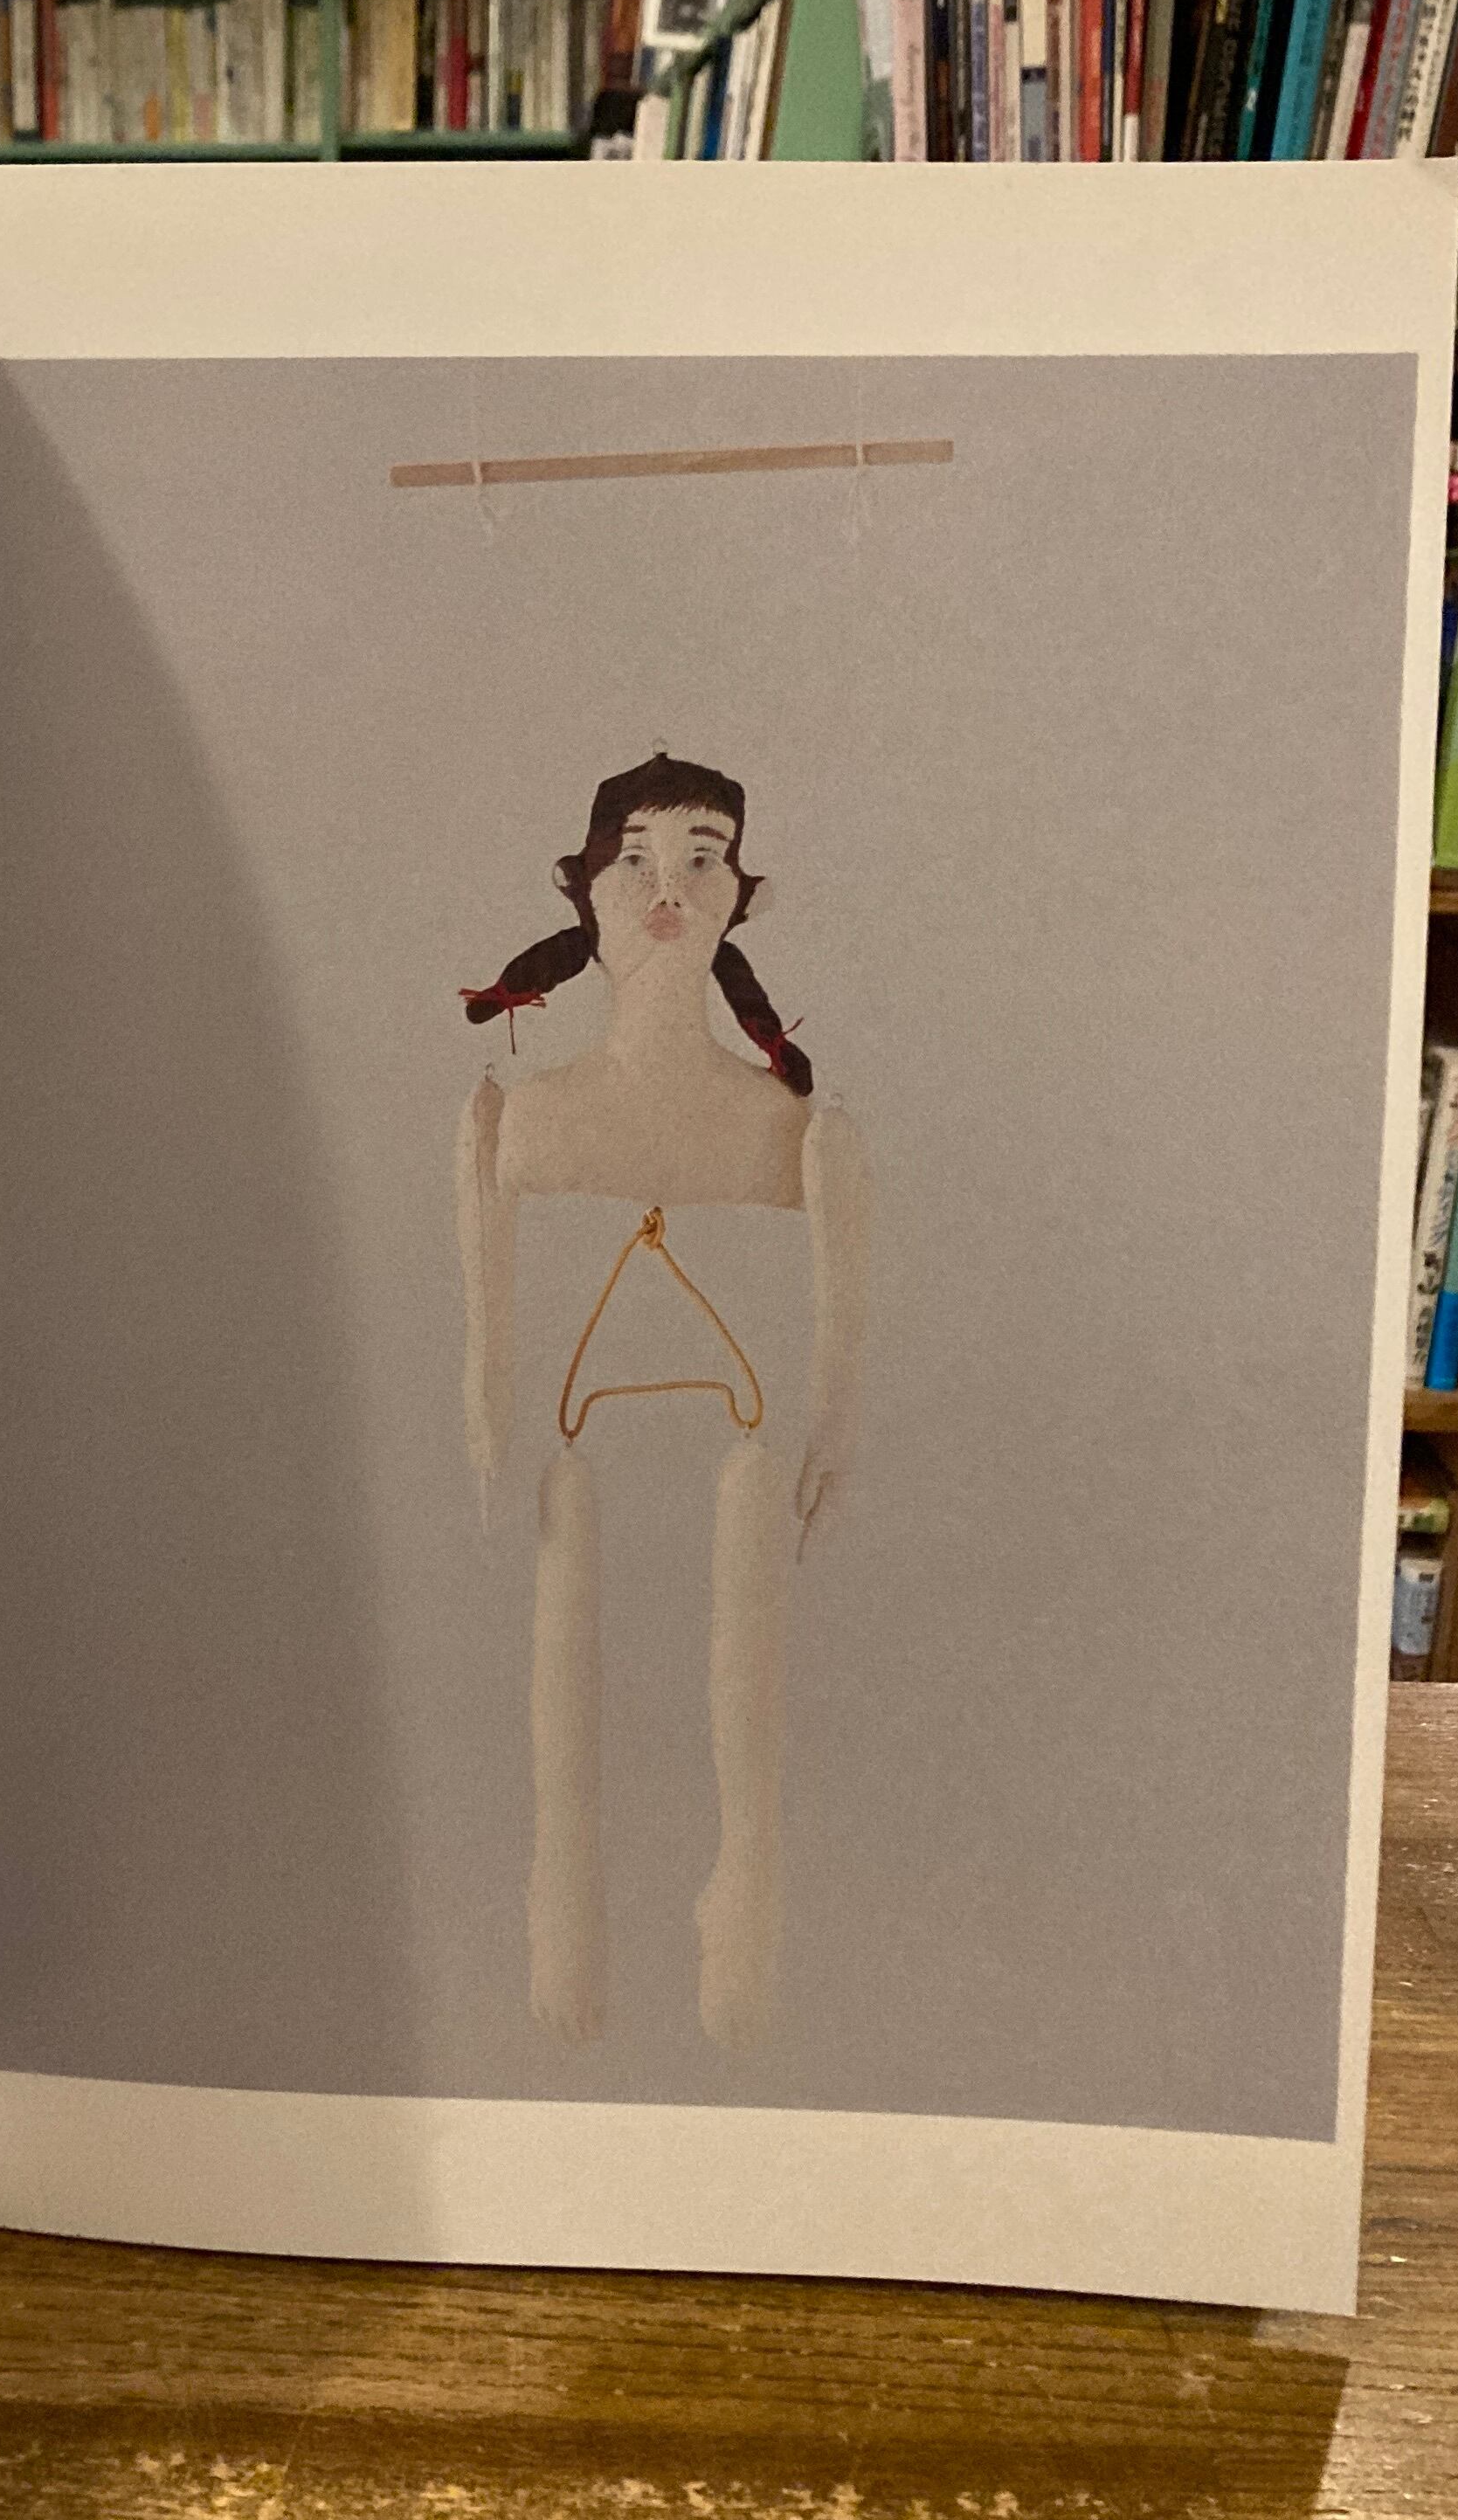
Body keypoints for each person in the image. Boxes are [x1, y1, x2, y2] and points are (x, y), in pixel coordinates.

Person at [456, 753, 869, 2048]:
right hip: (581, 1480)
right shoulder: (518, 1123)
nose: (667, 890)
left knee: (747, 1762)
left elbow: (839, 1362)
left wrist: (831, 1436)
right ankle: (572, 1980)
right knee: (564, 1759)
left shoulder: (800, 1135)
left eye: (701, 859)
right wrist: (488, 1429)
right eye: (633, 860)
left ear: (744, 896)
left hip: (736, 1471)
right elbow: (487, 1365)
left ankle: (734, 1977)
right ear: (583, 890)